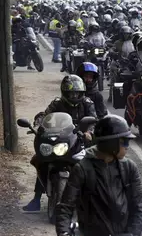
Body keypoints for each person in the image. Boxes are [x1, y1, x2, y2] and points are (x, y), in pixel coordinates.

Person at [23, 75, 97, 212]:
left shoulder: (87, 103)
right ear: (64, 92)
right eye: (71, 93)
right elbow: (45, 115)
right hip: (61, 139)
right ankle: (36, 199)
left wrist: (89, 132)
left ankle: (93, 201)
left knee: (92, 165)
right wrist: (39, 123)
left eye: (77, 93)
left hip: (81, 141)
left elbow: (93, 120)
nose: (74, 96)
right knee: (41, 161)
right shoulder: (57, 103)